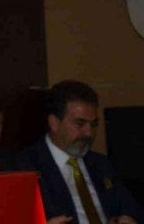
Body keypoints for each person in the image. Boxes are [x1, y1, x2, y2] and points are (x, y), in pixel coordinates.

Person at [17, 80, 143, 224]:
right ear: (54, 123)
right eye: (80, 124)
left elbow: (132, 210)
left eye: (93, 124)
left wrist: (127, 220)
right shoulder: (25, 167)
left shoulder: (101, 164)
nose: (89, 133)